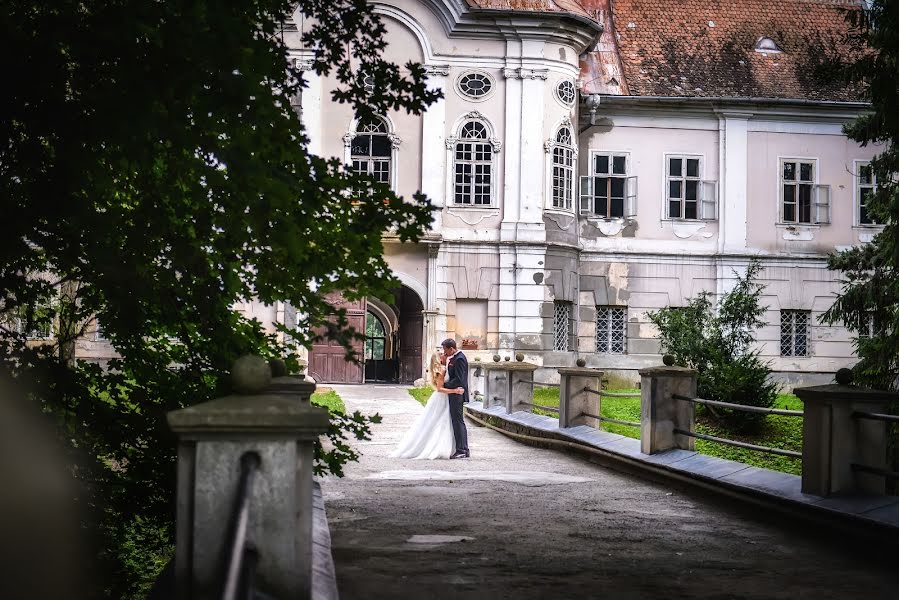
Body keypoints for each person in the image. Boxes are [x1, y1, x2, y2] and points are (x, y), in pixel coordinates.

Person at [389, 350, 464, 460]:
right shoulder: (442, 369)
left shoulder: (441, 368)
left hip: (439, 398)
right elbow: (439, 389)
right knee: (440, 421)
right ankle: (439, 446)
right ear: (439, 358)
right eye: (442, 354)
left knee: (436, 421)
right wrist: (455, 391)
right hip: (441, 398)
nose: (445, 354)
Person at [441, 338, 470, 459]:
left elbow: (459, 379)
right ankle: (464, 448)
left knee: (458, 422)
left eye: (445, 350)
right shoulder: (453, 358)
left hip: (457, 394)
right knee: (456, 421)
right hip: (454, 393)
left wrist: (444, 386)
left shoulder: (460, 359)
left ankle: (462, 449)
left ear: (451, 348)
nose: (444, 352)